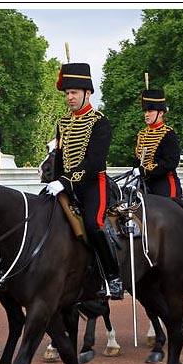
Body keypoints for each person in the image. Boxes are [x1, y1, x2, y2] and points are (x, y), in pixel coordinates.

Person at [45, 62, 123, 300]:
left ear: (87, 93)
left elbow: (95, 162)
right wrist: (55, 181)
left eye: (74, 93)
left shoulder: (100, 122)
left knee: (93, 224)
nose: (69, 97)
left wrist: (66, 182)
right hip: (65, 184)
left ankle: (113, 277)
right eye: (67, 93)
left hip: (92, 185)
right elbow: (59, 157)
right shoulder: (62, 123)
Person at [130, 88, 182, 198]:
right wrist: (135, 171)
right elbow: (138, 160)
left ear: (160, 113)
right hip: (143, 182)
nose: (146, 115)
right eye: (145, 111)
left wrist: (144, 171)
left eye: (150, 111)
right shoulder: (141, 134)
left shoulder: (168, 133)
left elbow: (171, 162)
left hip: (163, 182)